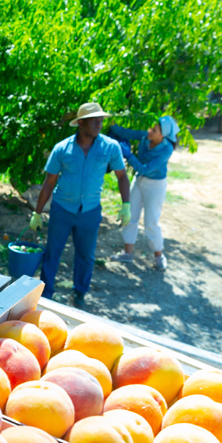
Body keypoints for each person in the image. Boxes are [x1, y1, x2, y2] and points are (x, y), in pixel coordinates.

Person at [29, 102, 130, 307]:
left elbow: (121, 176)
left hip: (90, 211)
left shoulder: (110, 147)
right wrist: (37, 213)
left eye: (101, 120)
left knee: (86, 255)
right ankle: (46, 293)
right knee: (53, 252)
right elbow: (49, 182)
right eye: (95, 121)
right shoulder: (62, 149)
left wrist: (126, 204)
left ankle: (79, 293)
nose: (100, 124)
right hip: (62, 209)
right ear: (81, 123)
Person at [107, 116, 178, 270]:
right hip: (139, 181)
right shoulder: (145, 136)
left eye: (155, 130)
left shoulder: (166, 149)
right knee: (130, 216)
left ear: (163, 135)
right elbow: (125, 132)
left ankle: (159, 256)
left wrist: (129, 155)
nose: (150, 131)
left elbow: (144, 168)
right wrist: (110, 121)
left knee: (151, 221)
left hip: (155, 185)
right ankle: (128, 253)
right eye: (151, 127)